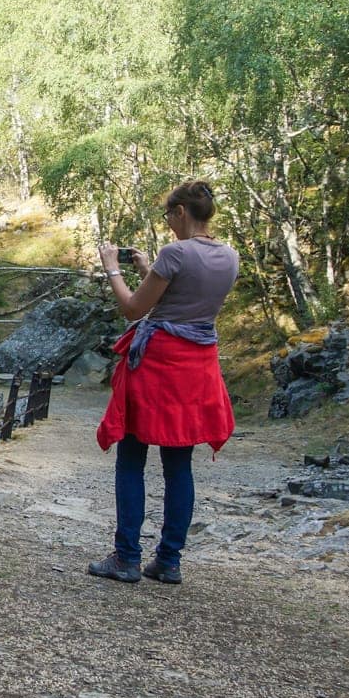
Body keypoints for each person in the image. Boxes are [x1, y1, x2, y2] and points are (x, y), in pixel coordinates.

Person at [87, 181, 239, 585]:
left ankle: (126, 557)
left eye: (169, 215)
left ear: (182, 213)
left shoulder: (175, 253)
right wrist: (146, 270)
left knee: (132, 458)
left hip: (158, 366)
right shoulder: (230, 255)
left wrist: (112, 268)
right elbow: (188, 300)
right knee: (178, 465)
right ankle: (169, 560)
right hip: (197, 369)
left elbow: (133, 307)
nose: (168, 222)